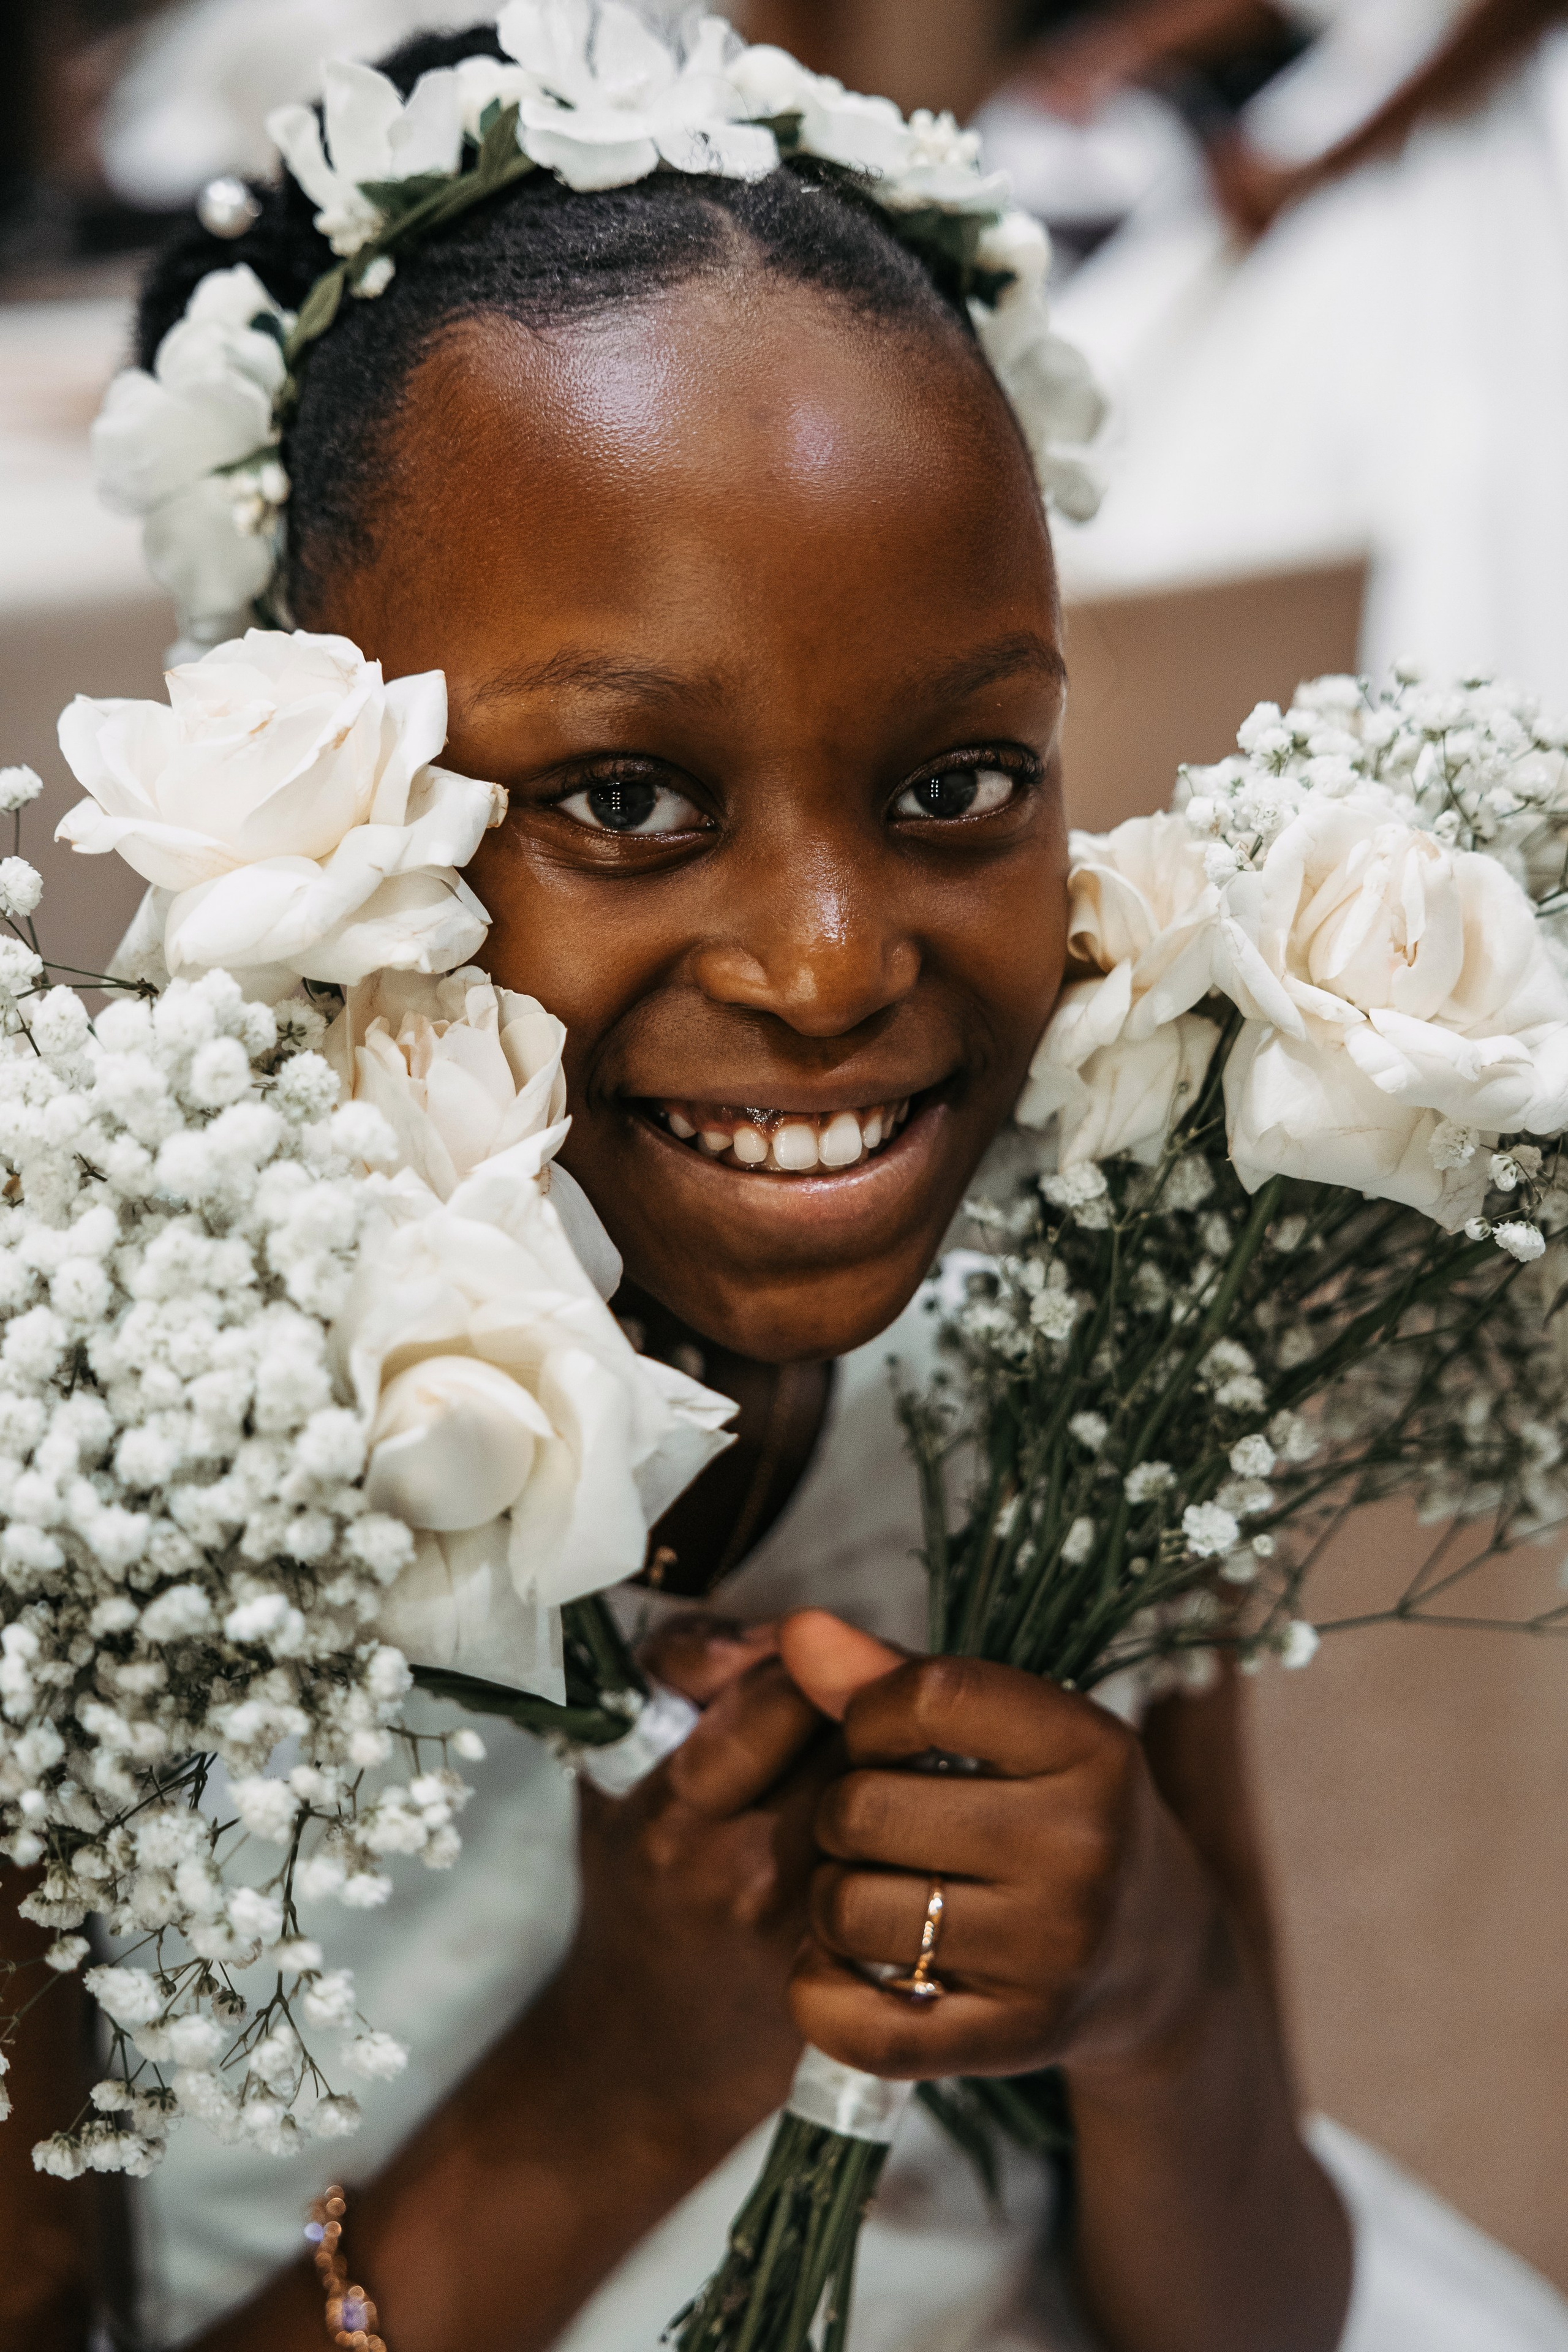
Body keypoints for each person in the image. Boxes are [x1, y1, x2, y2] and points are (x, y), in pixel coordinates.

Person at [9, 16, 1568, 2351]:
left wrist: (1142, 1989)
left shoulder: (1083, 1337)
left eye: (956, 780)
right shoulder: (94, 1466)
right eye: (624, 799)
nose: (832, 966)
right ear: (304, 781)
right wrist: (617, 2090)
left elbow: (1252, 2310)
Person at [1037, 0, 1568, 700]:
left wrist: (1329, 163)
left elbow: (1507, 19)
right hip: (1344, 103)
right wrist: (1124, 48)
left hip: (1470, 137)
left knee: (1462, 449)